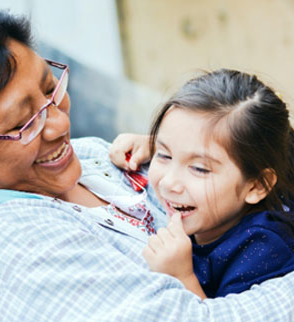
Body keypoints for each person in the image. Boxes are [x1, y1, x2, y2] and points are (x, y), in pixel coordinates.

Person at [0, 7, 294, 322]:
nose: (61, 124)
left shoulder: (84, 157)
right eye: (22, 123)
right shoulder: (16, 250)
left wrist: (168, 150)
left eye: (51, 90)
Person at [109, 69, 294, 299]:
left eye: (199, 168)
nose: (169, 183)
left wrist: (182, 277)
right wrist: (152, 147)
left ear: (256, 186)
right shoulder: (211, 209)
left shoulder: (263, 249)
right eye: (165, 155)